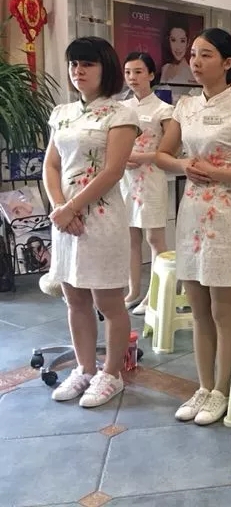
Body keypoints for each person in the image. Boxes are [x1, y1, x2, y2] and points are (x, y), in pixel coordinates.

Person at [156, 28, 231, 426]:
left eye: (206, 54)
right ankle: (203, 387)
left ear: (227, 63)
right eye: (193, 53)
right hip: (190, 213)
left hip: (225, 216)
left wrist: (218, 172)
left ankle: (223, 389)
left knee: (223, 311)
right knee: (198, 309)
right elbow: (162, 154)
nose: (195, 60)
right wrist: (184, 165)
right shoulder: (185, 106)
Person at [43, 36, 139, 407]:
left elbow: (113, 171)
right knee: (74, 298)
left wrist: (72, 208)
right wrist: (59, 206)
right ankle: (84, 369)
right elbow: (52, 165)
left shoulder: (120, 114)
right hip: (65, 220)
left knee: (108, 301)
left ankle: (111, 374)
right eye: (74, 64)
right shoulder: (62, 113)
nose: (78, 71)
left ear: (105, 68)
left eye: (87, 64)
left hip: (100, 218)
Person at [120, 52, 173, 314]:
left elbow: (170, 150)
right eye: (128, 72)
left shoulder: (164, 110)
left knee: (154, 237)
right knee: (130, 236)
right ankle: (133, 290)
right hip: (126, 179)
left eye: (139, 72)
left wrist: (141, 157)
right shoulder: (122, 108)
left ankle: (155, 293)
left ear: (151, 75)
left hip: (151, 177)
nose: (132, 77)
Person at [160, 19, 195, 85]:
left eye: (182, 41)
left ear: (188, 42)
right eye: (173, 40)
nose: (178, 47)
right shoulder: (165, 68)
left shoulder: (192, 74)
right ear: (169, 41)